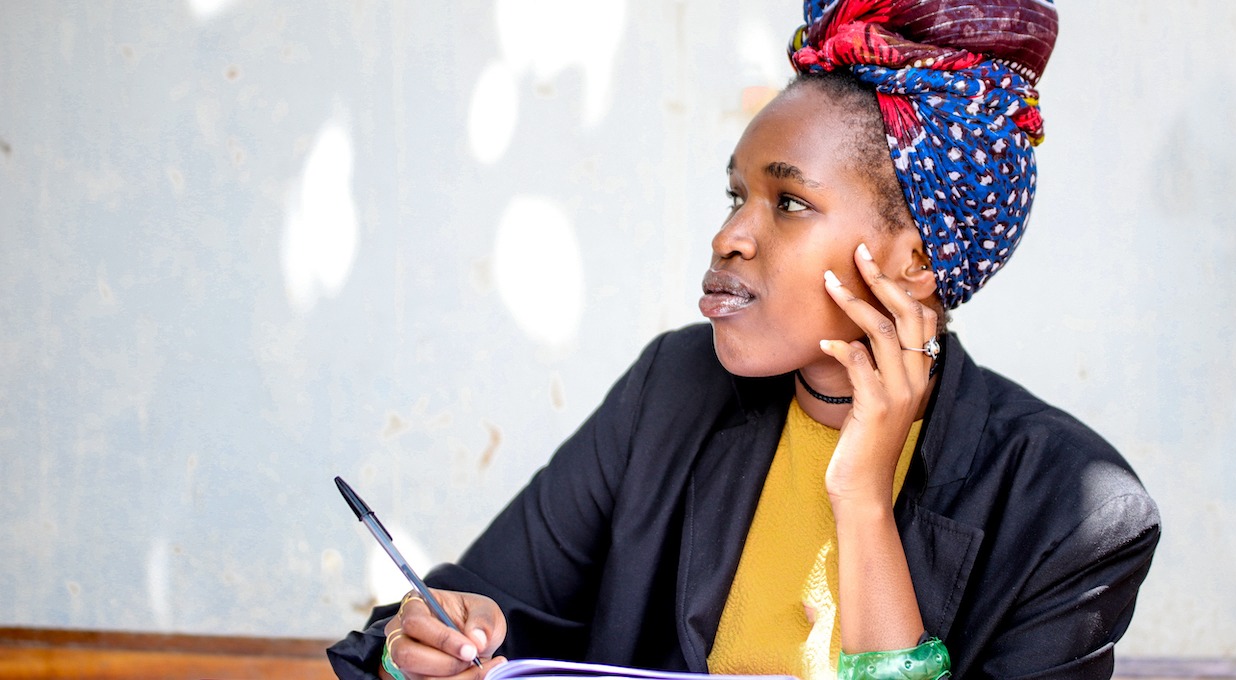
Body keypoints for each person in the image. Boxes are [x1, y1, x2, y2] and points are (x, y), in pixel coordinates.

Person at [329, 1, 1159, 678]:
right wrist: (423, 648)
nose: (730, 237)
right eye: (735, 196)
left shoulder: (1071, 511)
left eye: (788, 203)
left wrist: (863, 502)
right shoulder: (673, 391)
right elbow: (466, 605)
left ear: (913, 262)